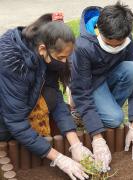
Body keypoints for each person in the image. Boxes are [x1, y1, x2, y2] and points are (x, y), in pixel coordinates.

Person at [0, 12, 92, 180]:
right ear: (42, 49)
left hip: (17, 100)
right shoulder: (13, 64)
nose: (64, 62)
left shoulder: (42, 48)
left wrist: (75, 144)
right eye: (61, 57)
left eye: (67, 57)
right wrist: (59, 158)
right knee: (5, 133)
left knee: (52, 97)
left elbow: (55, 95)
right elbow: (15, 121)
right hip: (6, 110)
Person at [69, 1, 133, 172]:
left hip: (109, 75)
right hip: (87, 83)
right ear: (100, 31)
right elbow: (82, 91)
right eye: (110, 44)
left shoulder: (125, 36)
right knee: (115, 119)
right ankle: (82, 111)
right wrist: (96, 137)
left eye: (119, 44)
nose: (115, 47)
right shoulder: (83, 46)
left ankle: (101, 110)